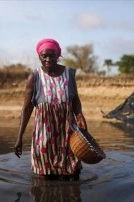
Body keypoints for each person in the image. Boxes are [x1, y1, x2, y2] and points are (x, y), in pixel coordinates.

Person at [14, 38, 87, 180]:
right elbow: (27, 108)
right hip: (44, 135)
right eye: (44, 56)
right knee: (43, 175)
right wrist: (19, 137)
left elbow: (75, 99)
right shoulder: (34, 77)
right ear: (39, 56)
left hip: (67, 133)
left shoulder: (69, 74)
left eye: (52, 55)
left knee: (73, 172)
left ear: (58, 55)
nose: (48, 59)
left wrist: (79, 115)